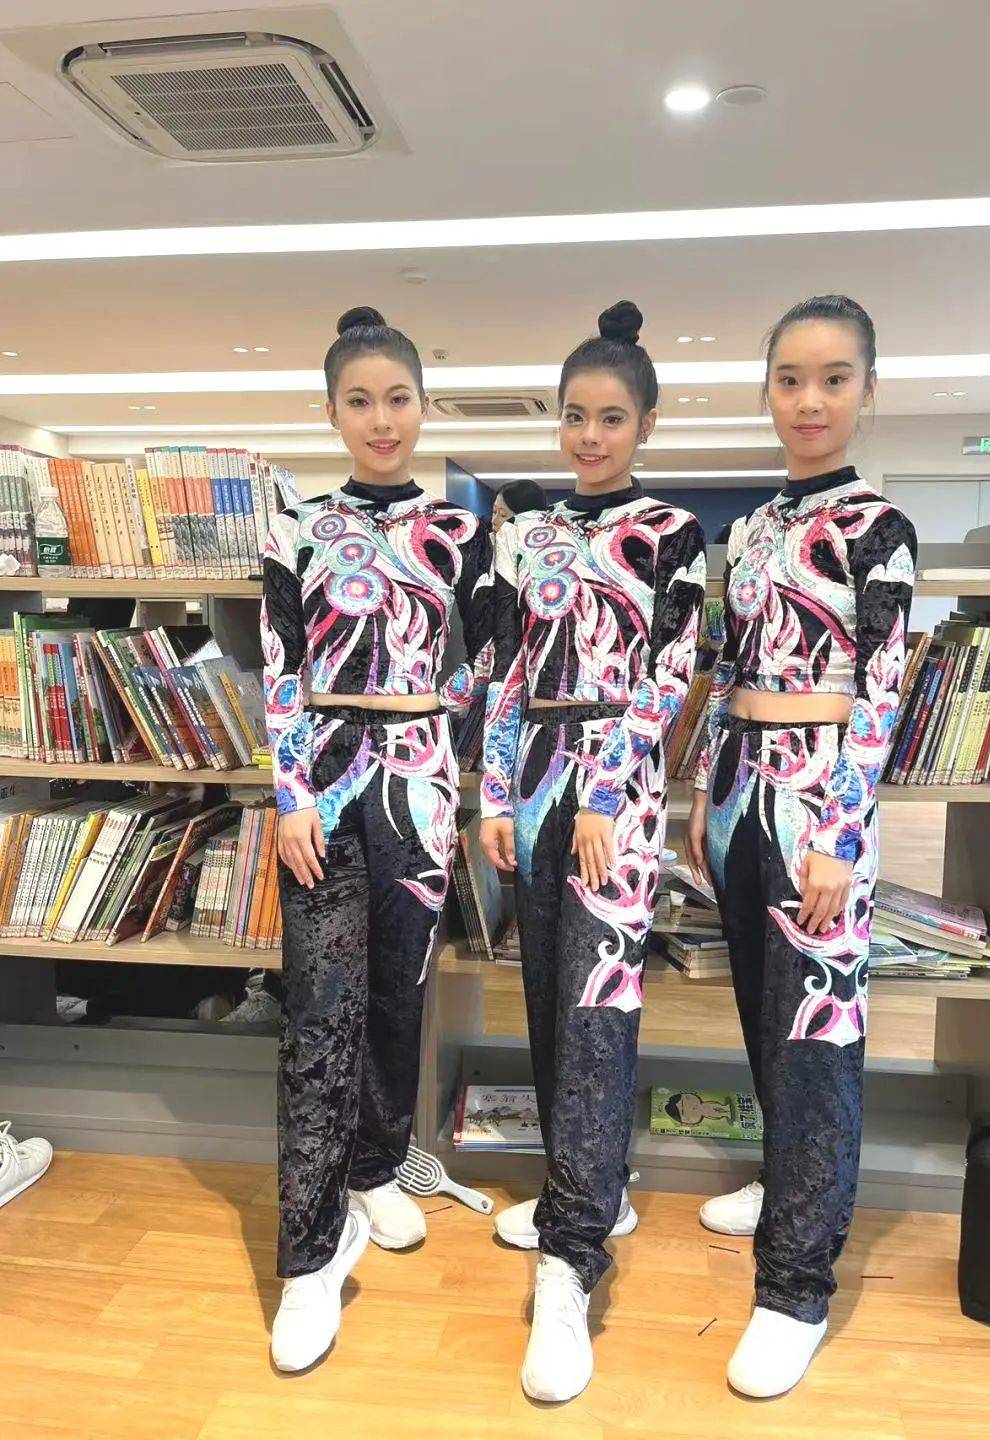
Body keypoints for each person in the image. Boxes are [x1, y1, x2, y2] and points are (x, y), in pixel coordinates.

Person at [687, 294, 917, 1398]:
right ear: (767, 391)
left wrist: (840, 831)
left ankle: (796, 1288)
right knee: (760, 1012)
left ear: (868, 389)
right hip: (739, 787)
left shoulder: (880, 527)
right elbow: (727, 663)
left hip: (822, 798)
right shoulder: (750, 529)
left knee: (819, 1036)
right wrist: (701, 787)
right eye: (790, 379)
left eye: (833, 378)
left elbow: (882, 691)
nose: (810, 400)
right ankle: (788, 1185)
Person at [479, 301, 706, 1402]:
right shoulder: (526, 533)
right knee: (541, 998)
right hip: (532, 782)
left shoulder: (673, 533)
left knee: (598, 1012)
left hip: (619, 790)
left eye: (611, 418)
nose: (589, 437)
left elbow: (668, 678)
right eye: (574, 416)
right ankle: (587, 1187)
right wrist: (492, 790)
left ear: (646, 424)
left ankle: (571, 1267)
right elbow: (504, 669)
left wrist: (607, 790)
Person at [262, 305, 492, 1373]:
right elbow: (279, 663)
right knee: (318, 1017)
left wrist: (436, 724)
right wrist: (290, 791)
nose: (381, 419)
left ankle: (374, 1165)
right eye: (359, 401)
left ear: (423, 405)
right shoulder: (296, 528)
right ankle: (309, 1260)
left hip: (422, 787)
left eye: (398, 398)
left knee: (399, 998)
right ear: (332, 413)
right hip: (323, 789)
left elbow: (494, 660)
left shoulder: (464, 534)